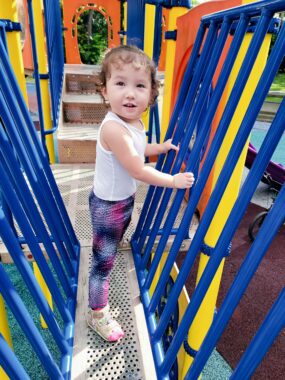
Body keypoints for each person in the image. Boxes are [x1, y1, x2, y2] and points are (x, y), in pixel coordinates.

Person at [87, 45, 195, 342]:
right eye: (120, 83)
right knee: (102, 262)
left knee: (113, 243)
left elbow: (139, 149)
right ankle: (96, 312)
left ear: (151, 95)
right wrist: (172, 180)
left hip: (121, 201)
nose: (130, 93)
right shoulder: (114, 129)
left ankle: (106, 259)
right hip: (108, 207)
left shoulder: (133, 122)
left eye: (139, 86)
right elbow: (137, 168)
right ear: (105, 91)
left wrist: (158, 148)